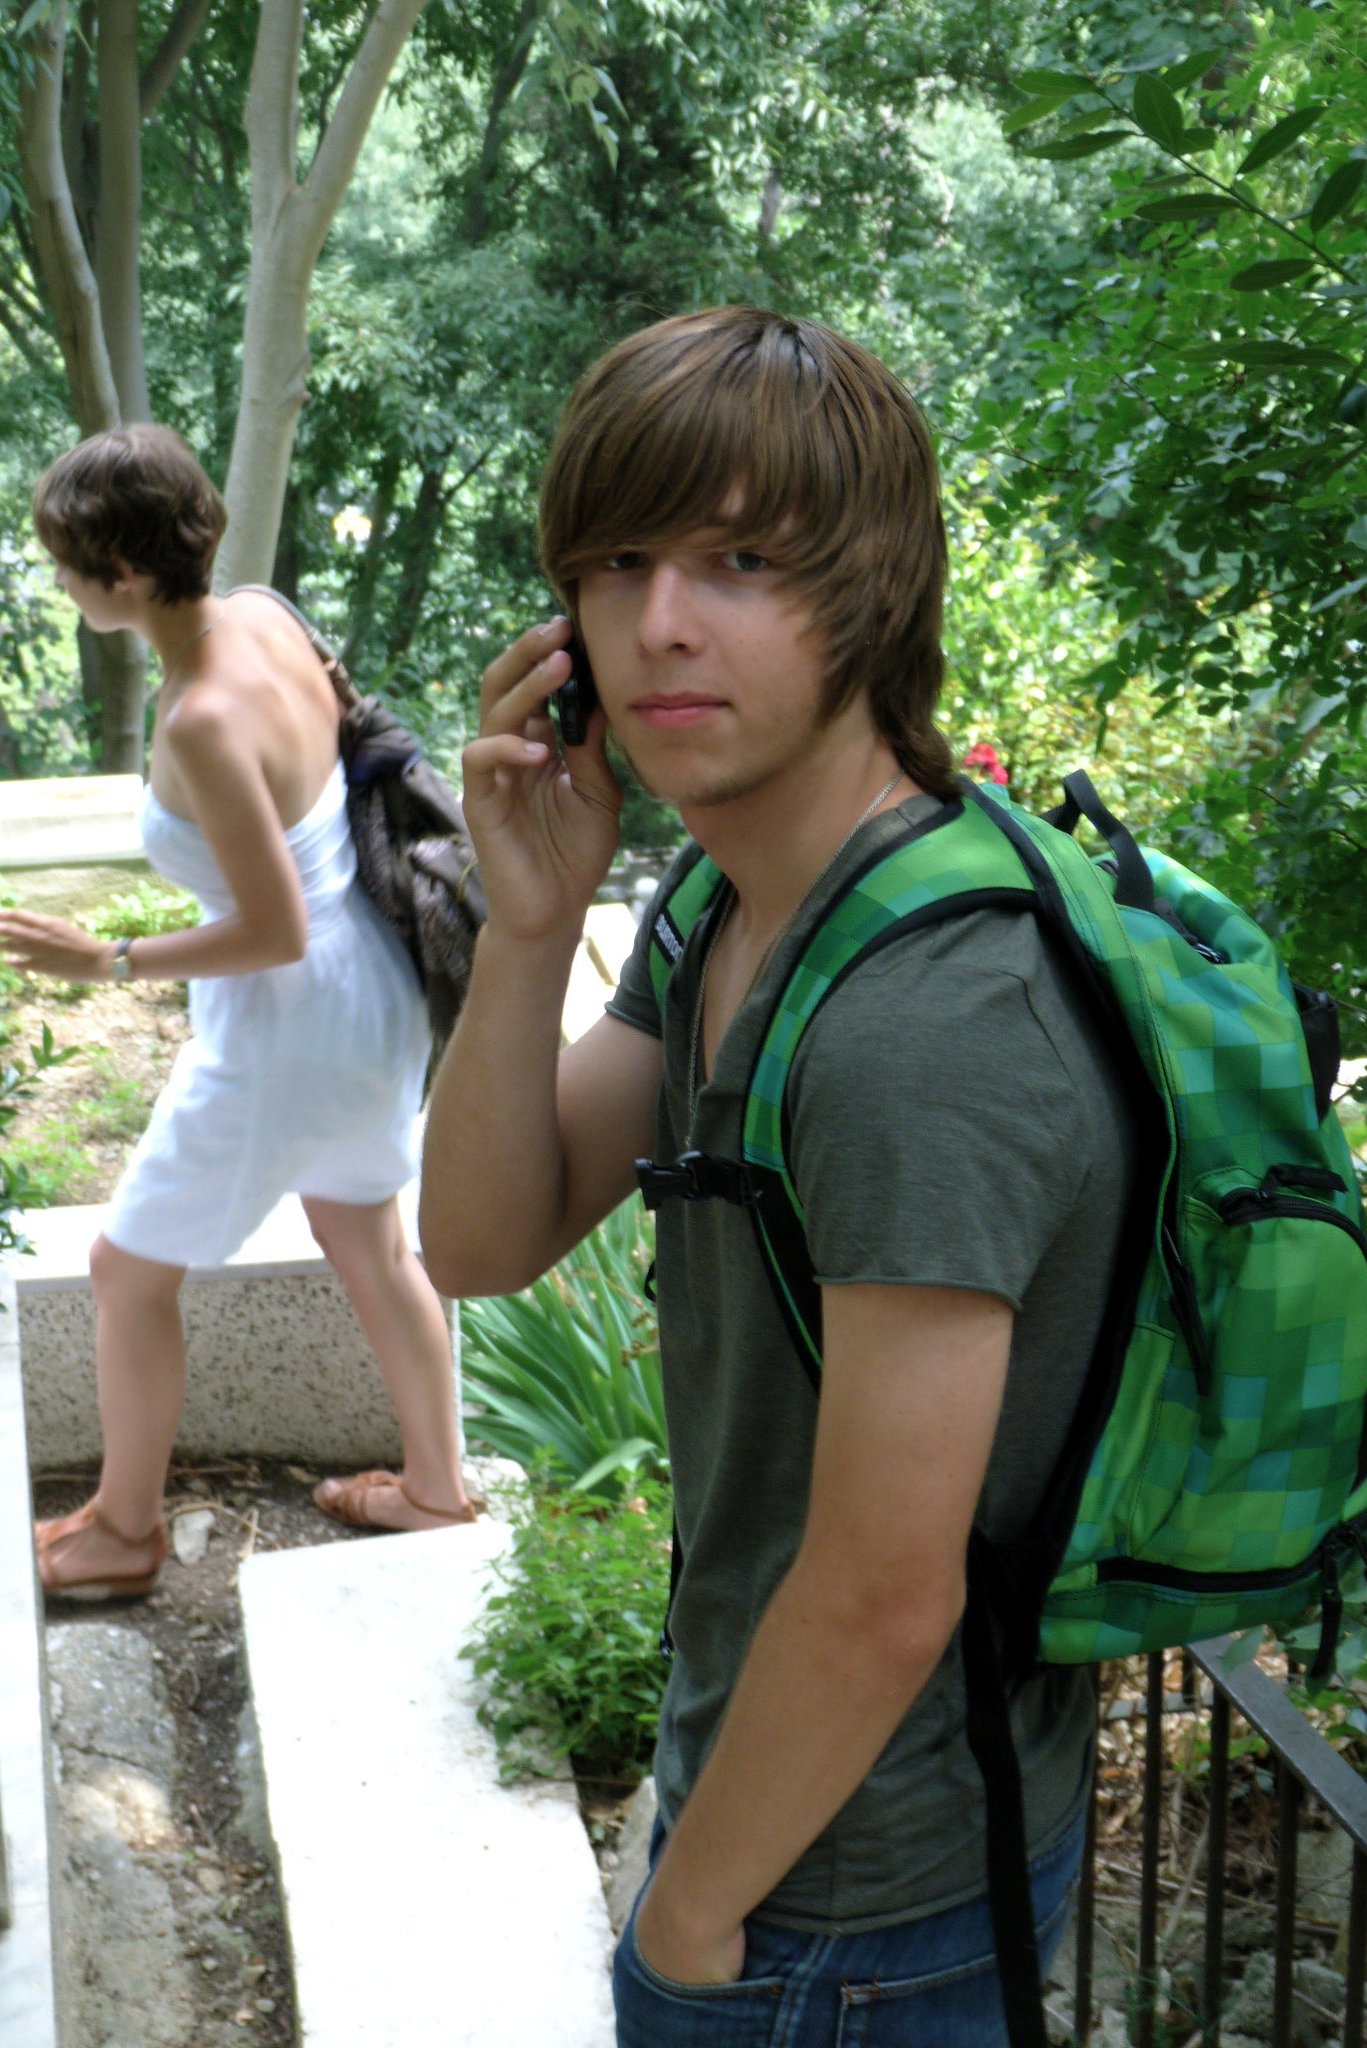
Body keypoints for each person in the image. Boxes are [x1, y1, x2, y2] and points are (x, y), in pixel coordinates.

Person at [419, 307, 1137, 2046]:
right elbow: (482, 1239)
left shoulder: (923, 1022)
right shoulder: (728, 899)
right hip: (791, 1815)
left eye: (742, 559)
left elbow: (884, 1590)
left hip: (852, 1904)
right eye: (618, 561)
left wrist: (690, 1914)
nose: (660, 620)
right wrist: (527, 927)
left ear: (869, 593)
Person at [1, 423, 473, 1600]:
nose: (60, 583)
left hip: (289, 1022)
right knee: (366, 1234)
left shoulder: (202, 717)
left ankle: (123, 1529)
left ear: (122, 574)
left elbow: (274, 928)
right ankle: (435, 1485)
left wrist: (105, 957)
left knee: (125, 1269)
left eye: (67, 564)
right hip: (374, 989)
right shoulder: (263, 612)